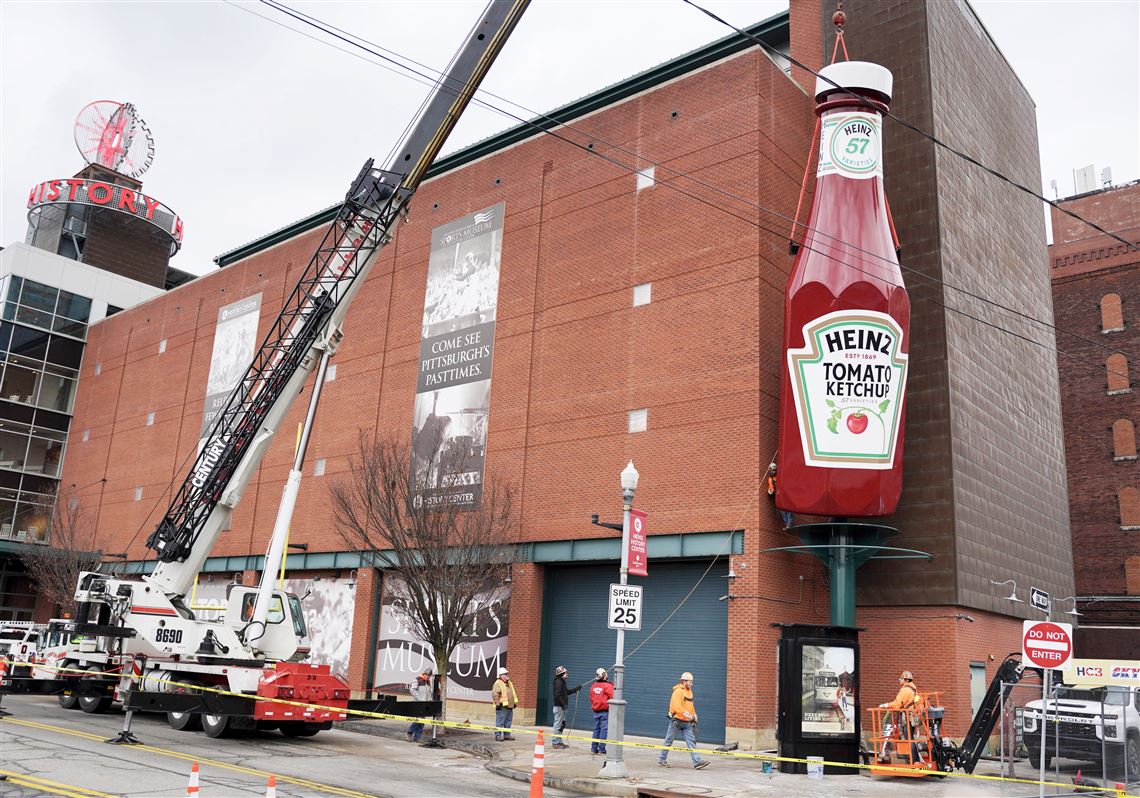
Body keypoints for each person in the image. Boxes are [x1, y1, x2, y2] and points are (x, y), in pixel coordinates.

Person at [658, 672, 709, 769]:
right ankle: (662, 759)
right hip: (676, 721)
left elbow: (691, 705)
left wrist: (694, 714)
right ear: (684, 681)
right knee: (668, 741)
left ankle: (697, 762)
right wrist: (688, 715)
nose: (691, 684)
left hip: (687, 722)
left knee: (691, 742)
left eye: (692, 682)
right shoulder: (678, 692)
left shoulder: (689, 691)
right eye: (690, 682)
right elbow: (677, 707)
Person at [879, 670, 921, 761]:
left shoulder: (905, 690)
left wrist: (886, 705)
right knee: (910, 737)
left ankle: (915, 760)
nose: (900, 681)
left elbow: (897, 704)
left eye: (901, 679)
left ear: (906, 680)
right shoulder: (913, 689)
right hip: (912, 716)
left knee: (908, 738)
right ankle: (915, 759)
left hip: (909, 716)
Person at [551, 665, 581, 749]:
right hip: (559, 707)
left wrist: (575, 689)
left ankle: (559, 741)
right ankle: (555, 742)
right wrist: (563, 704)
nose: (567, 674)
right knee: (557, 725)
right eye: (565, 672)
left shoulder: (562, 681)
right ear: (561, 673)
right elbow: (557, 695)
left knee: (561, 725)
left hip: (562, 707)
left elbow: (565, 692)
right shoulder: (558, 682)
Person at [588, 667, 614, 755]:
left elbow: (591, 698)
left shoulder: (593, 686)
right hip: (605, 711)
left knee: (596, 729)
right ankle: (601, 749)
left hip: (596, 711)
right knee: (604, 729)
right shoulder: (608, 686)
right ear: (603, 676)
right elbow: (613, 697)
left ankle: (594, 748)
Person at [406, 666, 433, 742]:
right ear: (424, 674)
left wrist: (430, 700)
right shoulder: (417, 680)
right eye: (427, 675)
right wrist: (420, 699)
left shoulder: (428, 681)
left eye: (429, 676)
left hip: (425, 704)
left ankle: (417, 737)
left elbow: (429, 692)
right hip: (418, 703)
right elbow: (412, 690)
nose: (428, 677)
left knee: (422, 721)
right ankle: (409, 733)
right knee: (418, 720)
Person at [491, 666, 518, 741]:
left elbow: (512, 693)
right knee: (500, 721)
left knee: (508, 722)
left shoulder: (509, 683)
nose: (507, 675)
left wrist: (514, 703)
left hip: (510, 706)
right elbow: (495, 695)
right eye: (505, 674)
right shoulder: (497, 683)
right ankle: (498, 735)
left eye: (507, 674)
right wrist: (497, 704)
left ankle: (507, 735)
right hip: (502, 706)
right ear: (501, 675)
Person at [766, 463, 794, 528]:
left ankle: (789, 523)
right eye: (771, 471)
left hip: (786, 494)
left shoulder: (781, 475)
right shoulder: (770, 479)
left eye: (773, 471)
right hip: (779, 495)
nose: (772, 472)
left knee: (788, 508)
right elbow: (771, 486)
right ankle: (787, 523)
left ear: (775, 470)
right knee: (782, 510)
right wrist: (771, 490)